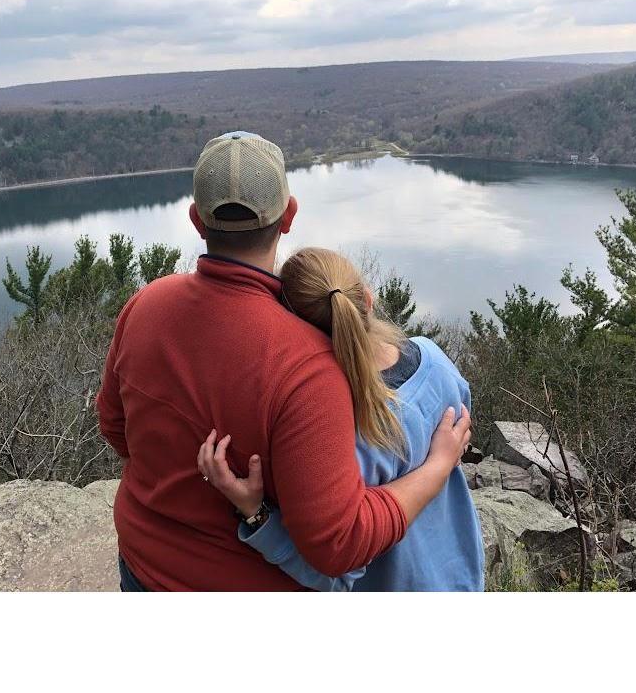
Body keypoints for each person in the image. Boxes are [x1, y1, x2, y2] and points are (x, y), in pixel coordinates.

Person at [97, 131, 472, 591]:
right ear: (289, 215)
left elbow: (116, 427)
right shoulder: (309, 364)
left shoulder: (145, 304)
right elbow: (338, 543)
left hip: (141, 567)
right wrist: (436, 469)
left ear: (197, 220)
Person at [198, 247, 484, 591]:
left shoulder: (337, 435)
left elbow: (334, 571)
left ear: (293, 328)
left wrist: (256, 514)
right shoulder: (434, 361)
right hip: (462, 577)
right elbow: (463, 420)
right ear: (367, 299)